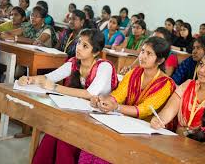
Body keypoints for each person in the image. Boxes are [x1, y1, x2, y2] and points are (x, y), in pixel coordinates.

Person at [23, 29, 118, 164]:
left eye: (85, 46)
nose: (78, 48)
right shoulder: (74, 62)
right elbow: (49, 77)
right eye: (79, 42)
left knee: (65, 137)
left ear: (96, 52)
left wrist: (55, 87)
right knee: (53, 133)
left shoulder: (104, 67)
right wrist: (29, 79)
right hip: (78, 112)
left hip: (99, 117)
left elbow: (89, 93)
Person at [78, 36, 176, 164]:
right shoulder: (133, 73)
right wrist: (102, 101)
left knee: (108, 152)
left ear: (160, 60)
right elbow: (118, 95)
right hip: (126, 124)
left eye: (149, 54)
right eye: (142, 51)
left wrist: (116, 107)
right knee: (94, 143)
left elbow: (144, 110)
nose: (142, 56)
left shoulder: (166, 83)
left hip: (148, 133)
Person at [151, 49, 205, 164]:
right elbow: (168, 112)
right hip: (179, 148)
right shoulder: (188, 85)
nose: (201, 70)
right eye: (201, 64)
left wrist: (185, 152)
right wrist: (158, 120)